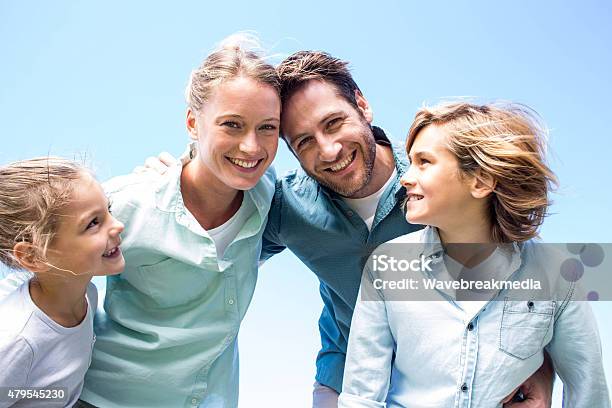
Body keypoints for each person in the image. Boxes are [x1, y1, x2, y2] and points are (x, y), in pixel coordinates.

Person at [148, 51, 556, 407]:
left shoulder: (437, 183)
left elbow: (532, 278)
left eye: (334, 123)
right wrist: (182, 183)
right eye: (304, 141)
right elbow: (222, 236)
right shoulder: (286, 208)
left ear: (362, 105)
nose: (328, 151)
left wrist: (541, 366)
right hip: (345, 383)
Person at [338, 102, 610, 407]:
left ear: (480, 182)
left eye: (425, 162)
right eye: (411, 162)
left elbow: (588, 391)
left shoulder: (559, 273)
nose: (406, 177)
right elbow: (361, 396)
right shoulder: (386, 266)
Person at [79, 35, 281, 408]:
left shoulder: (269, 198)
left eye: (267, 127)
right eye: (232, 125)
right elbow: (47, 279)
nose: (252, 147)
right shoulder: (127, 205)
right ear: (193, 122)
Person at [0, 157, 125, 407]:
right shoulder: (17, 341)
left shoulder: (85, 292)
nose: (118, 226)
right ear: (33, 256)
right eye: (93, 223)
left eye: (108, 210)